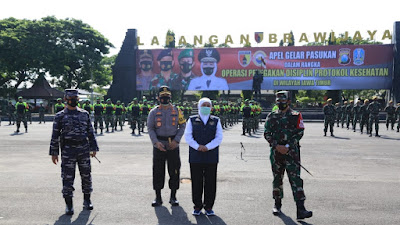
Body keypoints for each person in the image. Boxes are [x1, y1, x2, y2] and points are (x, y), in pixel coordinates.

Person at [264, 91, 312, 220]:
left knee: (296, 180)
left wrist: (288, 146)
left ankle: (301, 209)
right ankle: (277, 204)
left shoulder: (296, 115)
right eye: (278, 101)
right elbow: (267, 133)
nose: (280, 103)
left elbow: (300, 132)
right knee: (277, 179)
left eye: (283, 101)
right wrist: (277, 145)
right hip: (276, 153)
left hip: (292, 153)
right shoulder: (271, 116)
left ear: (288, 102)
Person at [49, 89, 99, 215]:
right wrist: (54, 152)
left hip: (83, 149)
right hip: (68, 150)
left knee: (86, 176)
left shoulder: (84, 114)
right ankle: (69, 204)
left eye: (76, 98)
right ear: (66, 99)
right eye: (71, 98)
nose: (74, 100)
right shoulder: (60, 116)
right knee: (67, 177)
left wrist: (94, 148)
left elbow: (90, 132)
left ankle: (87, 200)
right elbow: (55, 135)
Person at [147, 86, 186, 207]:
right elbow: (150, 128)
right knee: (158, 171)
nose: (165, 99)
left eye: (167, 97)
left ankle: (173, 196)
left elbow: (182, 126)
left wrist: (177, 141)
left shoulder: (177, 110)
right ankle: (158, 197)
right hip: (159, 145)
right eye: (162, 97)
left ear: (170, 97)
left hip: (173, 144)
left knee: (174, 170)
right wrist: (155, 142)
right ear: (158, 98)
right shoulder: (153, 112)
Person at [184, 97, 223, 216]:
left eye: (208, 105)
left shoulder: (216, 120)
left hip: (211, 156)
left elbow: (219, 137)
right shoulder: (191, 120)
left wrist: (207, 147)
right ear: (199, 106)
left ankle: (209, 207)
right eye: (203, 105)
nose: (206, 107)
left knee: (210, 182)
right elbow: (188, 136)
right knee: (196, 181)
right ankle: (197, 206)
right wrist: (197, 146)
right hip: (196, 156)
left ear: (211, 107)